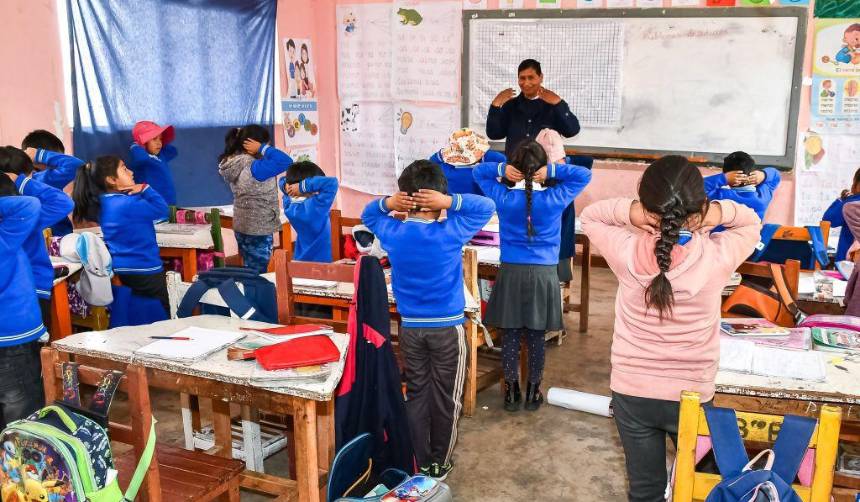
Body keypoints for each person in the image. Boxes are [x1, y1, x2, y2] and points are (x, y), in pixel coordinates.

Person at [579, 156, 761, 502]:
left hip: (632, 390)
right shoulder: (717, 257)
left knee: (645, 490)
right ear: (700, 206)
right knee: (696, 486)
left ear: (647, 204)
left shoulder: (626, 250)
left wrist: (634, 213)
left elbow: (591, 215)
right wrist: (715, 215)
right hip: (692, 392)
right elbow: (751, 221)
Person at [361, 160, 494, 480]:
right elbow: (486, 206)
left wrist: (388, 203)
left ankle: (419, 460)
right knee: (447, 397)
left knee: (418, 393)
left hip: (410, 331)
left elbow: (369, 214)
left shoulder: (393, 232)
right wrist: (450, 202)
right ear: (437, 201)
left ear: (405, 201)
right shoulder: (450, 231)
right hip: (448, 331)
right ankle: (439, 461)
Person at [472, 140, 592, 411]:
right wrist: (551, 171)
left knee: (511, 334)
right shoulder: (555, 198)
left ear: (514, 168)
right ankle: (533, 391)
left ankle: (511, 392)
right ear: (540, 167)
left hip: (511, 272)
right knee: (536, 336)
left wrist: (502, 168)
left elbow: (478, 173)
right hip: (544, 275)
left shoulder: (503, 198)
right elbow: (584, 173)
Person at [72, 156, 171, 315]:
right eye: (124, 169)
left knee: (139, 312)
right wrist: (145, 188)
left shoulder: (104, 203)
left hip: (123, 269)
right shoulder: (127, 203)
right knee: (162, 313)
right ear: (111, 180)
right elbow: (162, 210)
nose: (131, 172)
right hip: (145, 268)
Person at [0, 147, 74, 328]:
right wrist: (21, 181)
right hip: (29, 290)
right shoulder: (28, 214)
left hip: (29, 289)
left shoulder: (25, 213)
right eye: (29, 176)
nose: (31, 180)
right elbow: (64, 202)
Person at [0, 176, 47, 428]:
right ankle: (21, 464)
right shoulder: (6, 239)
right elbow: (29, 205)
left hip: (11, 338)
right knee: (23, 409)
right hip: (13, 340)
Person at [218, 125, 293, 273]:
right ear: (254, 145)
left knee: (249, 268)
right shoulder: (255, 167)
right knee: (258, 273)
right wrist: (262, 148)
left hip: (242, 225)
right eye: (266, 143)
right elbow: (286, 161)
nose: (268, 147)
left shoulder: (235, 162)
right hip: (258, 229)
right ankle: (255, 295)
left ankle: (249, 292)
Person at [486, 59, 580, 158]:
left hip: (545, 170)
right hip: (515, 169)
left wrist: (559, 103)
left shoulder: (554, 105)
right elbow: (494, 134)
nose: (526, 83)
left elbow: (572, 131)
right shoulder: (510, 106)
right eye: (522, 78)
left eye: (531, 77)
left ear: (541, 77)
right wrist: (495, 105)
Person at [21, 129, 83, 236]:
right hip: (57, 241)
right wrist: (39, 154)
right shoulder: (44, 179)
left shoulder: (24, 180)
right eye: (55, 158)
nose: (57, 162)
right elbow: (78, 165)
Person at [279, 161, 338, 262]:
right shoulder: (316, 206)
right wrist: (302, 187)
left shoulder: (289, 205)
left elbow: (281, 181)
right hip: (324, 261)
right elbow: (332, 183)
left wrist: (289, 187)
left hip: (300, 259)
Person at [703, 151, 781, 223]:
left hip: (719, 237)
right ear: (753, 172)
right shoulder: (762, 197)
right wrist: (763, 175)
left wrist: (723, 178)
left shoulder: (720, 196)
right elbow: (776, 176)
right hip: (750, 237)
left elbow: (695, 187)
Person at [429, 128, 506, 196]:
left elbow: (431, 163)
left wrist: (443, 154)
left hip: (452, 206)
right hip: (482, 205)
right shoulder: (484, 166)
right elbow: (504, 161)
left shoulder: (444, 168)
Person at [128, 121, 178, 206]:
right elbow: (141, 158)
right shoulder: (141, 158)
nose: (159, 143)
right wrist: (137, 144)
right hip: (153, 204)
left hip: (170, 202)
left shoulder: (161, 156)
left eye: (160, 139)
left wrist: (163, 140)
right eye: (154, 139)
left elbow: (173, 151)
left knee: (178, 218)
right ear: (143, 142)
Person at [823, 168, 860, 262]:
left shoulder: (849, 203)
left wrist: (842, 199)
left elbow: (828, 220)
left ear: (855, 184)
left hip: (847, 266)